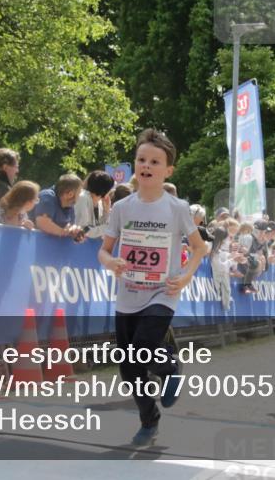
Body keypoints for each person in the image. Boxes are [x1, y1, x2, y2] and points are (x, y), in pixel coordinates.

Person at [98, 129, 208, 447]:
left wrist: (186, 276)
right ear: (135, 165)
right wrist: (111, 262)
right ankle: (150, 419)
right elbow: (104, 250)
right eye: (141, 159)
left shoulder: (177, 208)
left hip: (163, 292)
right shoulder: (122, 208)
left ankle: (169, 367)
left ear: (168, 171)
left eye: (155, 162)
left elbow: (199, 248)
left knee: (142, 347)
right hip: (128, 294)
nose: (146, 166)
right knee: (129, 369)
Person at [31, 174, 84, 239]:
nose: (79, 197)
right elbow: (43, 224)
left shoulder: (70, 206)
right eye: (79, 193)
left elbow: (69, 226)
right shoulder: (47, 197)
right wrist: (64, 232)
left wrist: (74, 232)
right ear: (70, 194)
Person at [75, 170, 115, 239]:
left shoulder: (99, 202)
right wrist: (108, 226)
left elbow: (100, 226)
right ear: (106, 190)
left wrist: (106, 211)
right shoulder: (82, 198)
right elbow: (83, 230)